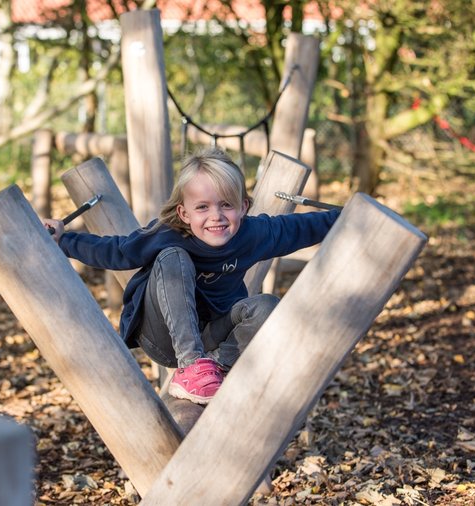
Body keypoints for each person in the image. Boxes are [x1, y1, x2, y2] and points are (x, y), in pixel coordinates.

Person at [43, 148, 340, 405]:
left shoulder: (253, 234)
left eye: (226, 204)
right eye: (202, 207)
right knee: (173, 257)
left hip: (213, 337)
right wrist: (64, 241)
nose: (216, 216)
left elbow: (300, 227)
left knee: (266, 306)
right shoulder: (168, 235)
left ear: (243, 207)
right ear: (184, 213)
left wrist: (348, 216)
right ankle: (192, 367)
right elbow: (117, 251)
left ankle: (217, 366)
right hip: (162, 338)